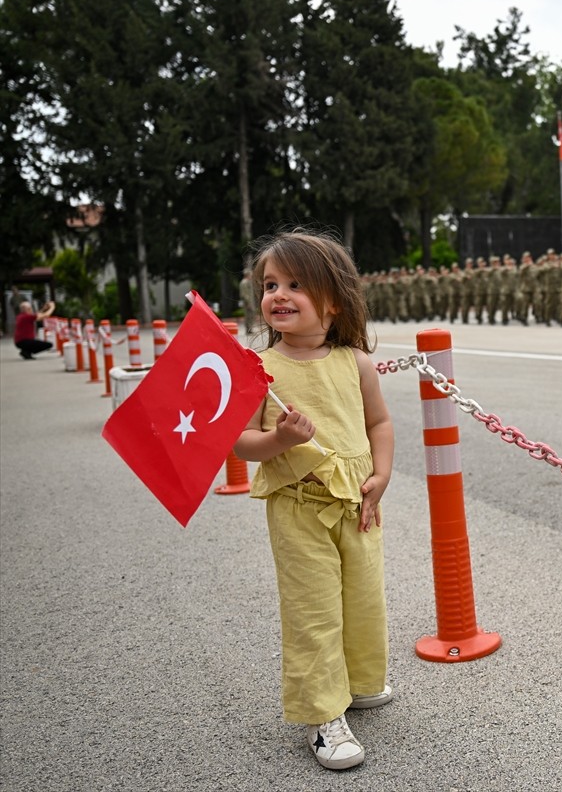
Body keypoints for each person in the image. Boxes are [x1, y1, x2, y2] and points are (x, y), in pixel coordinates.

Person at [234, 229, 395, 771]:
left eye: (295, 284)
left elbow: (379, 423)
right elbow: (241, 443)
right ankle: (323, 716)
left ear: (333, 300)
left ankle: (359, 681)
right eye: (270, 284)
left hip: (357, 502)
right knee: (314, 611)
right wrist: (280, 440)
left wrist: (384, 473)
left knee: (363, 597)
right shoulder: (259, 371)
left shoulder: (355, 362)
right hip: (298, 506)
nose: (277, 294)